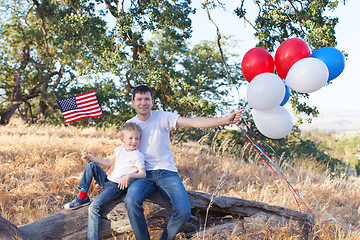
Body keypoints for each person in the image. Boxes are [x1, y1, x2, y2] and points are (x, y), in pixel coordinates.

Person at [124, 85, 242, 240]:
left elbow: (194, 122)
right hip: (143, 174)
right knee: (131, 201)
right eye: (139, 99)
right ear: (133, 102)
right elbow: (122, 153)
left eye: (147, 99)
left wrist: (224, 120)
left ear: (152, 102)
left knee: (183, 211)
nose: (143, 103)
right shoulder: (130, 124)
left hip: (167, 173)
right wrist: (109, 177)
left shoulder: (163, 117)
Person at [64, 122, 146, 240]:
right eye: (131, 138)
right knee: (91, 165)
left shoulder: (138, 156)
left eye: (137, 139)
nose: (134, 141)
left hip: (117, 186)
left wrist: (129, 176)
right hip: (108, 180)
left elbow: (143, 174)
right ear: (122, 139)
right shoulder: (120, 150)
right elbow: (107, 162)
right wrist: (91, 157)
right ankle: (82, 196)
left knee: (94, 207)